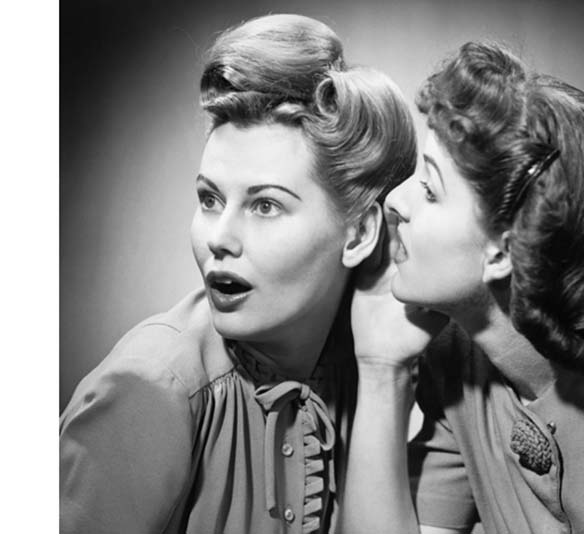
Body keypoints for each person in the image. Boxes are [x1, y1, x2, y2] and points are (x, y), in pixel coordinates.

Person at [343, 42, 584, 534]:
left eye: (429, 189)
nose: (396, 203)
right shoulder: (460, 366)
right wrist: (380, 370)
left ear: (503, 250)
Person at [59, 14, 416, 534]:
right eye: (210, 199)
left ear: (359, 233)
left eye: (265, 205)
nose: (218, 237)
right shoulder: (150, 389)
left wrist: (384, 373)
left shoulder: (364, 360)